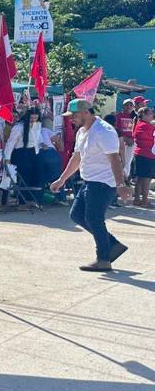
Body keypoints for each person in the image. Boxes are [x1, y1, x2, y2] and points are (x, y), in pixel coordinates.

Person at [52, 100, 129, 272]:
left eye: (74, 115)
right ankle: (112, 245)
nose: (71, 119)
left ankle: (103, 259)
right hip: (90, 181)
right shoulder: (82, 131)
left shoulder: (104, 131)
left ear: (87, 112)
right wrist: (62, 179)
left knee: (94, 219)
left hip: (103, 183)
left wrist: (121, 184)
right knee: (77, 215)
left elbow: (115, 159)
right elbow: (76, 158)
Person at [3, 107, 43, 198]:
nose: (33, 120)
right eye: (31, 118)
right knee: (24, 177)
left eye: (35, 118)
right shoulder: (19, 127)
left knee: (33, 175)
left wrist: (42, 144)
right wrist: (7, 158)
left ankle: (31, 198)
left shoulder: (37, 125)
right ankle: (22, 201)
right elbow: (10, 143)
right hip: (20, 153)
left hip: (33, 153)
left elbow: (38, 138)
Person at [133, 106, 155, 207]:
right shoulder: (146, 126)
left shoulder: (139, 124)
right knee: (146, 178)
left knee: (140, 178)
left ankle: (137, 199)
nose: (152, 116)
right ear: (144, 115)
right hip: (146, 154)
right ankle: (144, 201)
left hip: (141, 154)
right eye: (150, 114)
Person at [118, 99, 136, 183]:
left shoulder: (135, 117)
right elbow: (116, 128)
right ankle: (121, 178)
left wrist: (133, 139)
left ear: (133, 107)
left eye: (130, 105)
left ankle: (126, 178)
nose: (128, 107)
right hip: (121, 140)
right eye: (126, 105)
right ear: (123, 106)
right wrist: (124, 138)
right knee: (121, 160)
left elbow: (137, 130)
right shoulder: (119, 115)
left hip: (131, 142)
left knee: (128, 161)